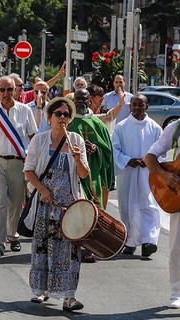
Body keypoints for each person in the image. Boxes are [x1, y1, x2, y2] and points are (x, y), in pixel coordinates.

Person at [24, 97, 89, 311]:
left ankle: (69, 296)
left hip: (68, 206)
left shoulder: (76, 140)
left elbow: (83, 174)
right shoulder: (40, 140)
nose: (62, 118)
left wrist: (78, 159)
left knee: (69, 251)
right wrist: (42, 190)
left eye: (66, 114)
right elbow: (29, 170)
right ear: (50, 117)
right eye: (58, 114)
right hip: (45, 205)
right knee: (43, 248)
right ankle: (41, 291)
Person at [0, 75, 37, 257]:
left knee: (16, 203)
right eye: (2, 90)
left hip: (18, 162)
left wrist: (35, 162)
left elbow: (33, 139)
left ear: (15, 90)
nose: (5, 93)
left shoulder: (25, 111)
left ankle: (13, 236)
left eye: (9, 89)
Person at [67, 89, 115, 263]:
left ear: (90, 101)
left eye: (84, 99)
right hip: (73, 175)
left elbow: (108, 151)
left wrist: (96, 149)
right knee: (75, 210)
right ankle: (73, 245)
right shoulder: (69, 123)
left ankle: (89, 248)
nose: (80, 102)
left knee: (93, 211)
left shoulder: (98, 124)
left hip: (93, 175)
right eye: (77, 99)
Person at [112, 94, 162, 257]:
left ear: (146, 107)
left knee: (149, 206)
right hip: (128, 173)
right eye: (134, 104)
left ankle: (149, 241)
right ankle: (130, 241)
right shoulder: (121, 126)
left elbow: (162, 151)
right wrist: (127, 160)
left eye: (140, 104)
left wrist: (151, 162)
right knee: (128, 206)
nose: (137, 107)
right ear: (129, 106)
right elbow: (114, 150)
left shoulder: (155, 128)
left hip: (148, 175)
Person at [145, 120, 180, 309]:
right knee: (177, 248)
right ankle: (177, 292)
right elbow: (149, 157)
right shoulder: (176, 128)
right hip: (178, 196)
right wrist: (165, 175)